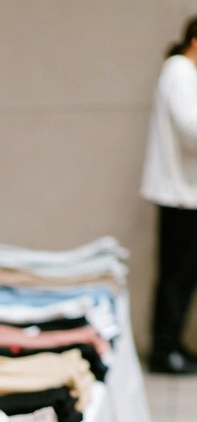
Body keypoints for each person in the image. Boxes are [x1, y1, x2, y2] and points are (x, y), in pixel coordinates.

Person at [142, 16, 197, 374]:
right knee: (176, 275)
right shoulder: (178, 71)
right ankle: (164, 351)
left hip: (188, 193)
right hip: (179, 194)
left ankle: (173, 345)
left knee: (184, 275)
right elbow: (191, 130)